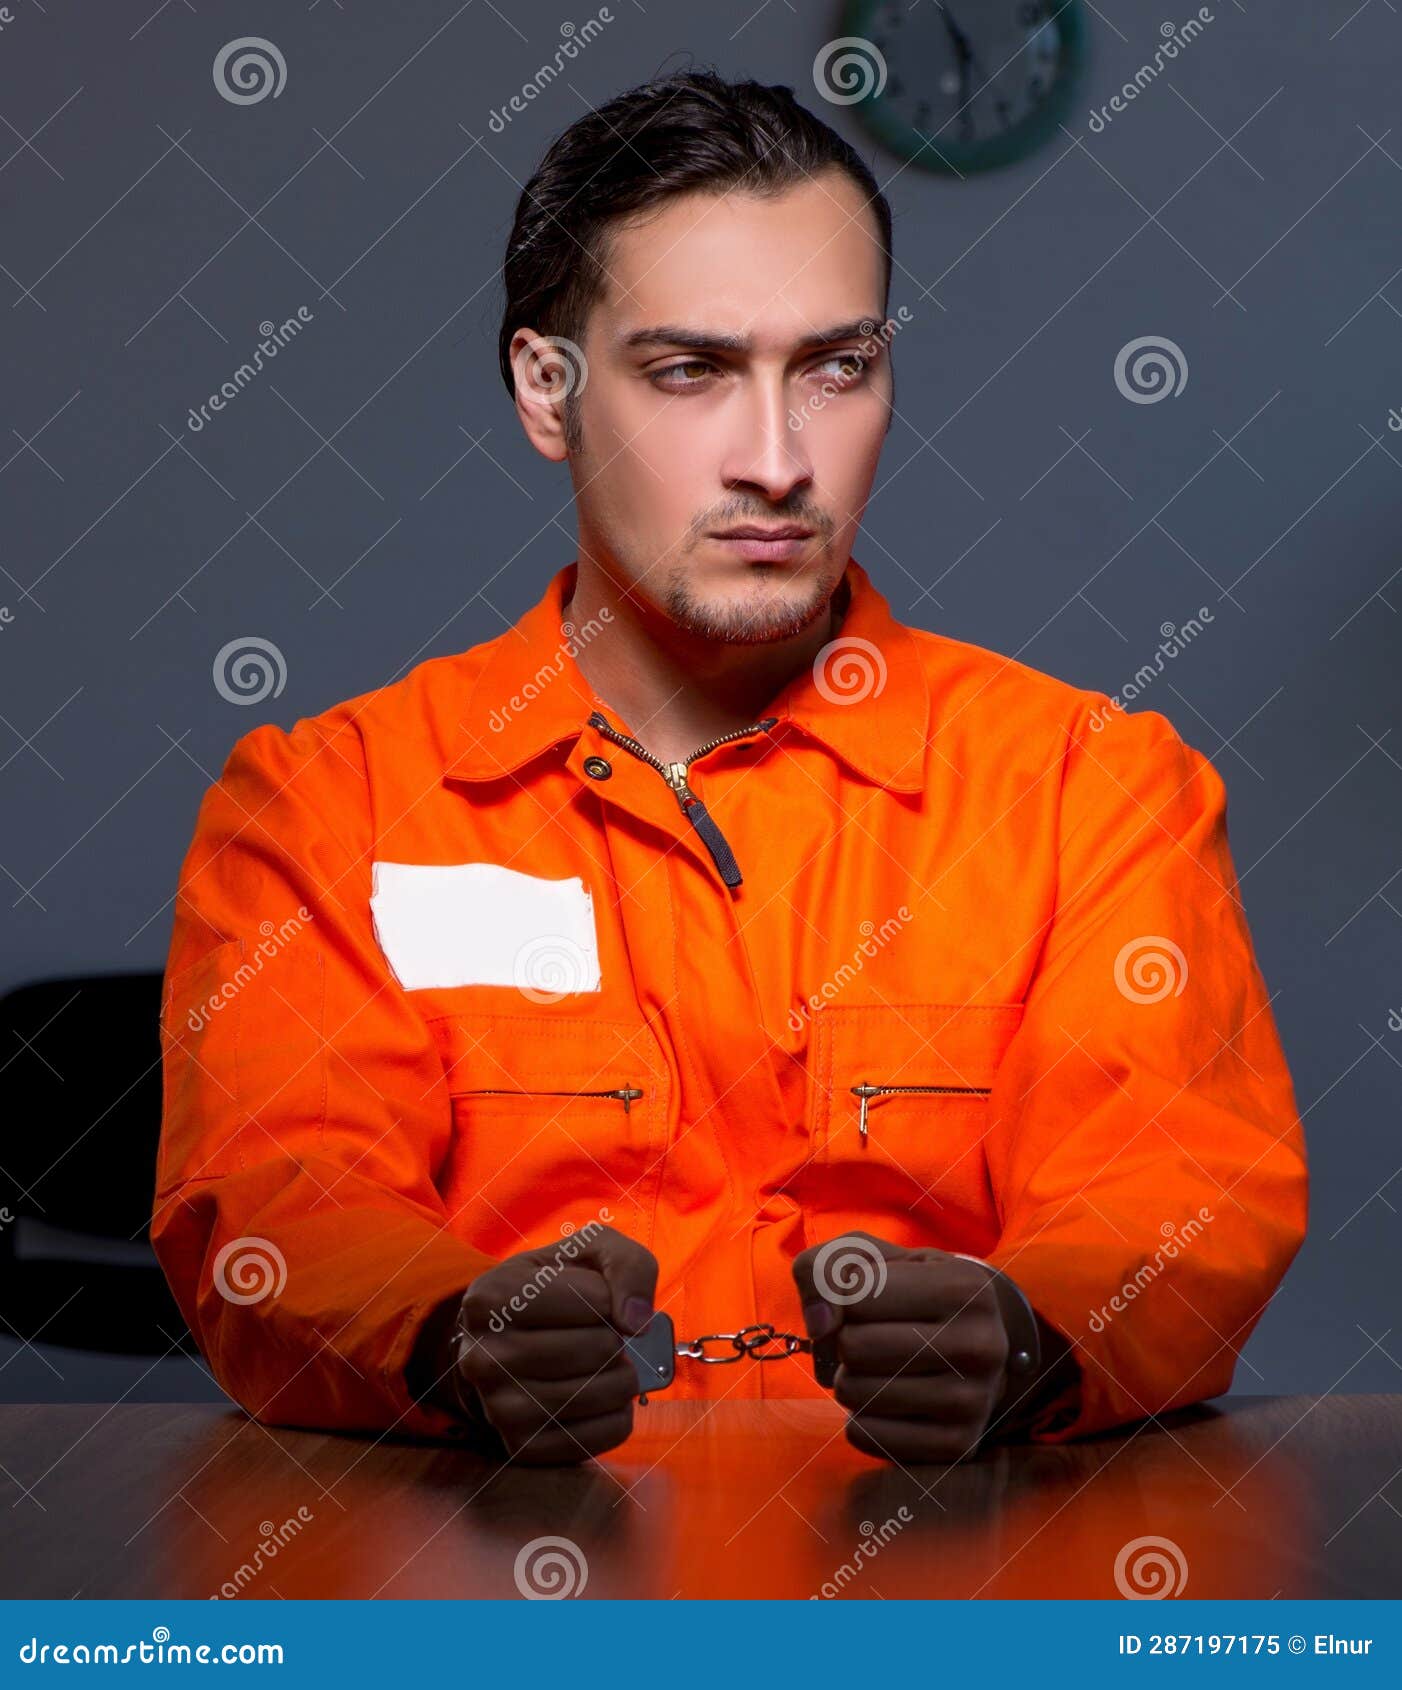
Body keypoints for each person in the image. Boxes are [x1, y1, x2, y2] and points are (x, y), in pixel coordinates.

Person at [151, 69, 1307, 1469]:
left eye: (835, 367)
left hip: (944, 1575)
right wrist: (452, 1334)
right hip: (495, 1578)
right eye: (690, 370)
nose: (777, 461)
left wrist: (1032, 1336)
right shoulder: (331, 805)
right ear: (547, 391)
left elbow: (1177, 1184)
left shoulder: (1086, 790)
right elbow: (278, 1197)